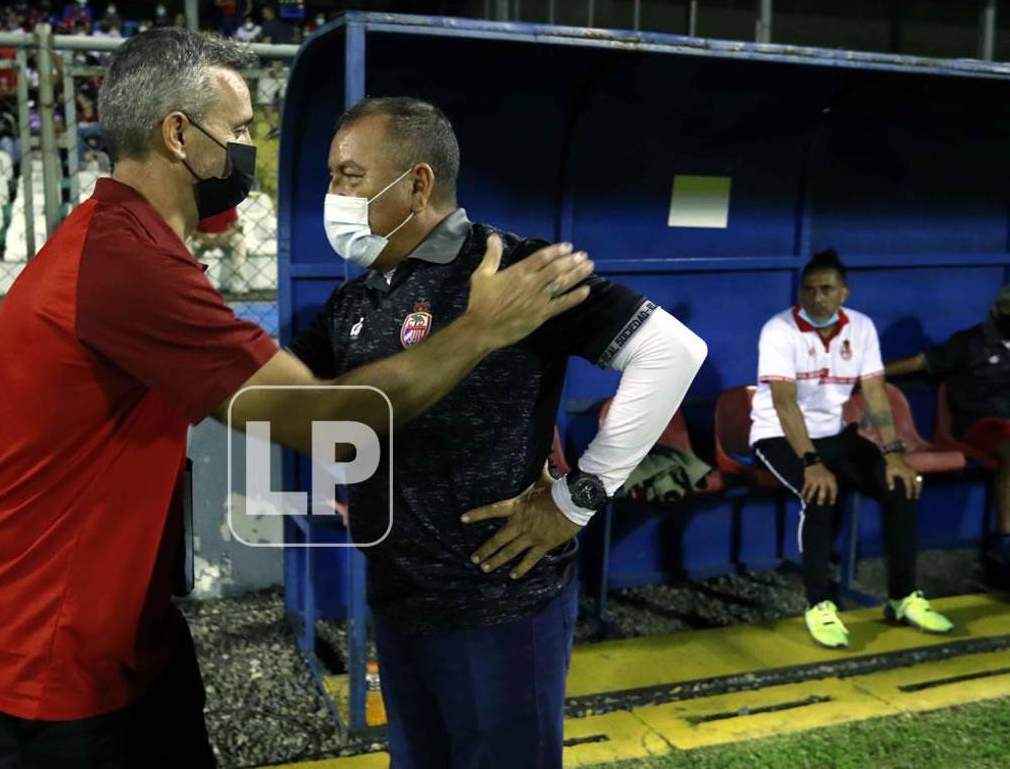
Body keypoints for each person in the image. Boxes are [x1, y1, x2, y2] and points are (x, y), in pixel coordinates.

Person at [0, 28, 592, 767]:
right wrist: (482, 328)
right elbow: (333, 421)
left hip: (120, 633)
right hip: (47, 654)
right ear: (179, 136)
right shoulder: (126, 268)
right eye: (240, 131)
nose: (250, 153)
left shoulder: (123, 245)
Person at [284, 96, 706, 768]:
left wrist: (575, 500)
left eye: (349, 175)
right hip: (399, 597)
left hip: (499, 604)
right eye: (333, 176)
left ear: (417, 184)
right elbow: (279, 390)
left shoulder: (512, 267)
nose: (332, 193)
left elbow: (671, 353)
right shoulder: (355, 299)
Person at [751, 249, 953, 649]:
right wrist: (811, 462)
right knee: (821, 495)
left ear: (844, 293)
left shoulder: (860, 327)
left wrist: (893, 452)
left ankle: (901, 597)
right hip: (778, 435)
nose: (816, 297)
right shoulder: (779, 329)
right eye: (808, 289)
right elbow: (784, 402)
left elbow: (876, 392)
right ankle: (819, 604)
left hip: (835, 432)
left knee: (903, 486)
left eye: (826, 289)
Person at [885, 285, 1010, 582]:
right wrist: (869, 373)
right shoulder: (970, 343)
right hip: (981, 423)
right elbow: (921, 362)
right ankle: (1006, 540)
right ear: (996, 311)